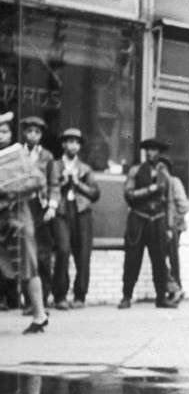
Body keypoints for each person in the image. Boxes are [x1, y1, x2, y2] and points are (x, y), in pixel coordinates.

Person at [0, 112, 50, 333]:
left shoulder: (19, 154)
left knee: (28, 265)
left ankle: (39, 315)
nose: (1, 136)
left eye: (4, 131)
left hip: (18, 217)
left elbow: (37, 180)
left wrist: (7, 188)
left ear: (11, 134)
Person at [118, 137, 176, 310]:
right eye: (149, 149)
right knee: (132, 259)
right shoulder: (135, 171)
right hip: (138, 218)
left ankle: (161, 297)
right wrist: (149, 190)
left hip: (158, 219)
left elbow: (170, 201)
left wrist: (170, 226)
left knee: (159, 260)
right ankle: (126, 296)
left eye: (155, 150)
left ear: (159, 153)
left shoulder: (164, 174)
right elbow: (129, 194)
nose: (151, 153)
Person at [51, 128, 100, 309]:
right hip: (62, 211)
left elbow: (95, 194)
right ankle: (60, 296)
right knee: (63, 251)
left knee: (83, 254)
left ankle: (80, 296)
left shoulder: (85, 168)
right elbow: (51, 187)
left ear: (79, 146)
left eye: (76, 142)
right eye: (69, 141)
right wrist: (64, 181)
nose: (72, 145)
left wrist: (78, 183)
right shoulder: (55, 165)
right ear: (63, 144)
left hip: (82, 212)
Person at [20, 116, 58, 307]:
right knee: (25, 253)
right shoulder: (17, 154)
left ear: (41, 135)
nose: (32, 135)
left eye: (36, 132)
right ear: (24, 133)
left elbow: (54, 183)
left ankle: (43, 300)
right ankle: (29, 302)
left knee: (43, 254)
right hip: (22, 205)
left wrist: (52, 206)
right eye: (29, 131)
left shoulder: (47, 156)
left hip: (40, 207)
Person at [156, 155, 189, 303]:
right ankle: (175, 289)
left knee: (170, 259)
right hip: (166, 226)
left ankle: (175, 289)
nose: (158, 170)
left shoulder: (173, 182)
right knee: (166, 258)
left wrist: (172, 223)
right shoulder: (162, 183)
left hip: (172, 227)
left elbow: (184, 206)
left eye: (161, 167)